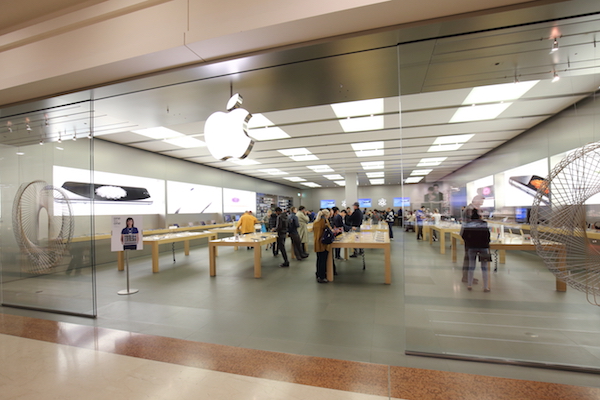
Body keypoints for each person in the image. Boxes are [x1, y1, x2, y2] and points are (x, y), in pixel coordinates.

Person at [461, 209, 491, 292]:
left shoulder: (468, 225)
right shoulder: (484, 224)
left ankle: (469, 285)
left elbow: (464, 236)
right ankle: (485, 287)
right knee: (484, 267)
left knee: (471, 265)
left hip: (472, 247)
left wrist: (469, 242)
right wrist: (486, 243)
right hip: (483, 247)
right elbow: (488, 236)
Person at [461, 195, 485, 284]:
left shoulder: (471, 209)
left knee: (469, 256)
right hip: (470, 235)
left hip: (471, 235)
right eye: (481, 202)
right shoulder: (470, 210)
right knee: (469, 257)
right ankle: (466, 277)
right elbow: (471, 223)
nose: (482, 204)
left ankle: (467, 276)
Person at [313, 209, 332, 283]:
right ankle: (322, 276)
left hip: (317, 242)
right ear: (326, 215)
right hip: (323, 243)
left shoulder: (316, 222)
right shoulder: (325, 222)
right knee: (323, 260)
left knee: (319, 259)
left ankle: (318, 274)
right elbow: (329, 230)